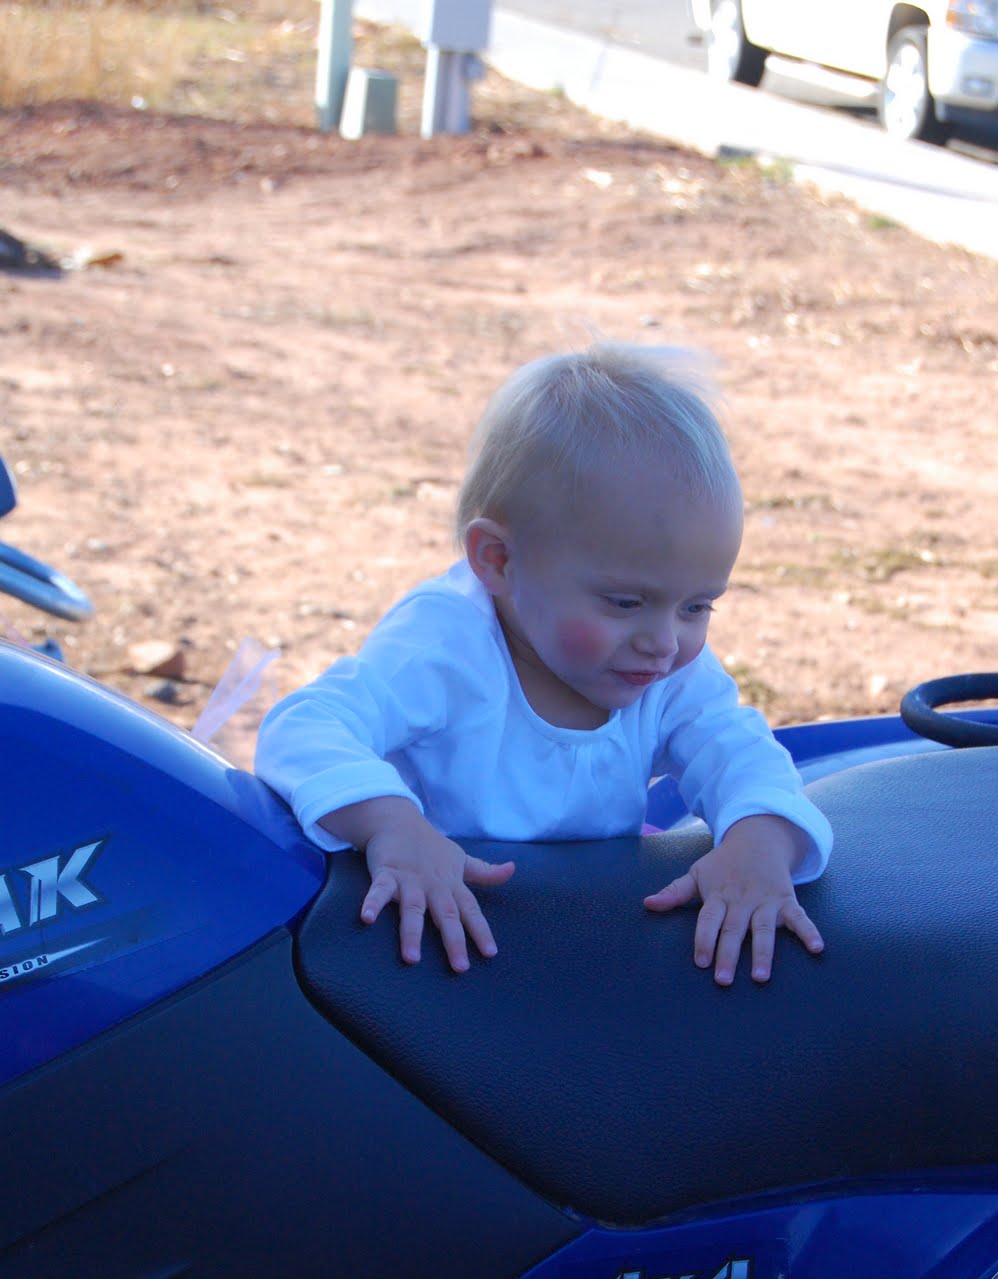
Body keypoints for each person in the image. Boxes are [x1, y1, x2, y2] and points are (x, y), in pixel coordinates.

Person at [255, 342, 832, 984]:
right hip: (438, 941)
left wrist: (761, 840)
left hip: (584, 929)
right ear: (498, 561)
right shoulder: (446, 645)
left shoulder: (660, 667)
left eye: (698, 606)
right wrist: (393, 826)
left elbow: (738, 751)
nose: (665, 641)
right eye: (626, 602)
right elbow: (304, 727)